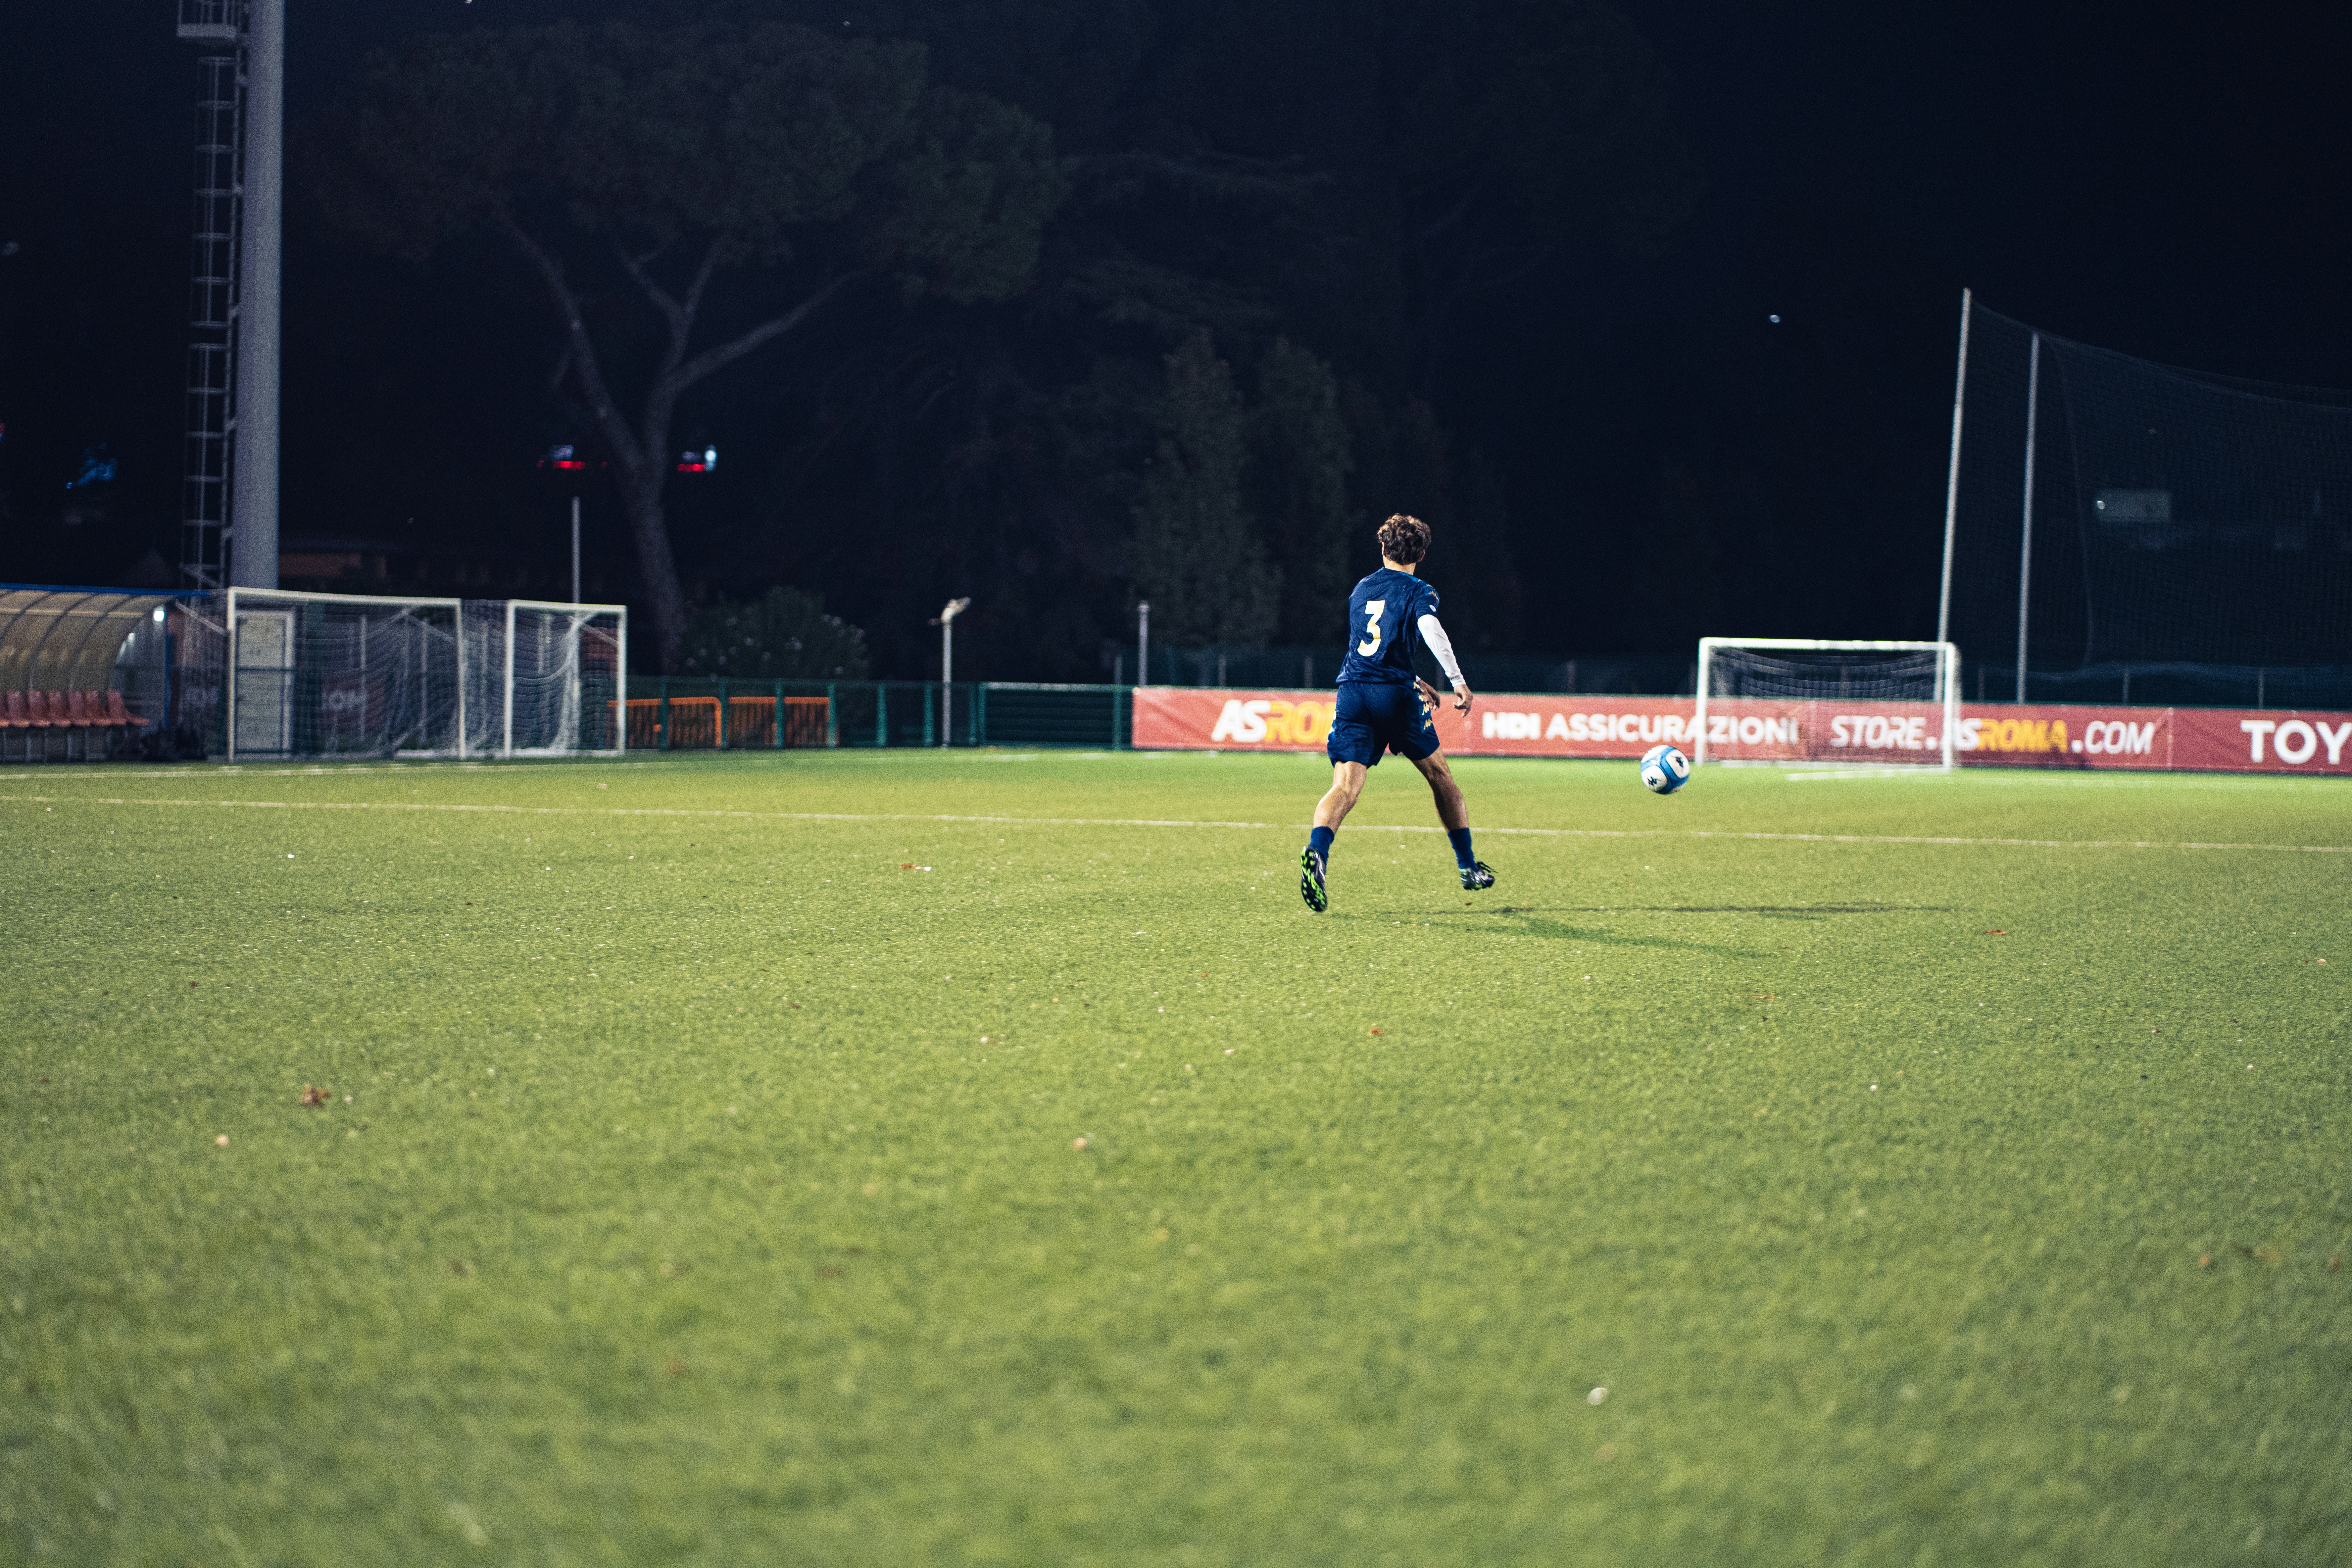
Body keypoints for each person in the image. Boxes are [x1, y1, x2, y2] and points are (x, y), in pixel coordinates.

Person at [1299, 513, 1494, 912]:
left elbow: (1372, 647)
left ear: (1383, 548)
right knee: (1440, 776)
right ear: (1420, 553)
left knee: (1345, 787)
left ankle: (1318, 851)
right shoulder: (1420, 590)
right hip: (1395, 696)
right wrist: (1456, 679)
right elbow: (1430, 629)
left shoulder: (1361, 589)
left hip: (1353, 692)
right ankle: (1468, 867)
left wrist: (1411, 675)